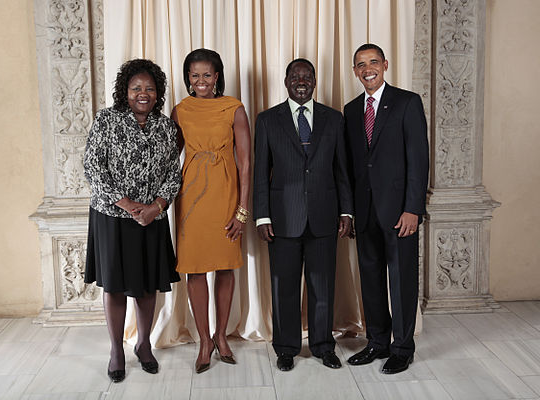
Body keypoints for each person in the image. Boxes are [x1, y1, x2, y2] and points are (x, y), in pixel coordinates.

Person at [83, 59, 182, 383]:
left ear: (158, 93)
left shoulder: (166, 127)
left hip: (150, 219)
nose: (144, 94)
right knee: (115, 286)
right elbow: (93, 167)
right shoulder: (106, 120)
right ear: (124, 91)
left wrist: (156, 206)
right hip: (112, 216)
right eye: (136, 88)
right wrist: (127, 205)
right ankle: (116, 349)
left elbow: (174, 174)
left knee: (147, 284)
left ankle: (143, 344)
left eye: (150, 88)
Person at [253, 58, 353, 371]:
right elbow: (260, 173)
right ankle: (285, 348)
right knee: (284, 285)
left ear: (314, 81)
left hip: (324, 216)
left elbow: (342, 171)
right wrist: (262, 216)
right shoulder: (268, 119)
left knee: (322, 285)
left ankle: (324, 346)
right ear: (285, 81)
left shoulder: (333, 119)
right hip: (282, 218)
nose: (301, 80)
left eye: (307, 76)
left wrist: (347, 210)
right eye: (295, 76)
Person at [344, 44, 429, 374]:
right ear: (355, 72)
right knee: (371, 281)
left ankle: (402, 347)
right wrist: (349, 212)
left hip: (400, 213)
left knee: (402, 281)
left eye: (373, 62)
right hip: (365, 213)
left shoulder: (407, 103)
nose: (368, 69)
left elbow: (418, 161)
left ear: (385, 65)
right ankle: (377, 342)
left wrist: (413, 208)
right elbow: (352, 167)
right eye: (361, 65)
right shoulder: (351, 110)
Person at [172, 48, 251, 374]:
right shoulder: (180, 110)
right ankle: (204, 339)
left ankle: (221, 335)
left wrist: (242, 211)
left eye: (207, 74)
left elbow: (246, 163)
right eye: (194, 75)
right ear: (188, 78)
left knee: (224, 266)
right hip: (191, 199)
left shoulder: (234, 108)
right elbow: (167, 159)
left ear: (217, 76)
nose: (201, 80)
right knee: (195, 268)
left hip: (225, 196)